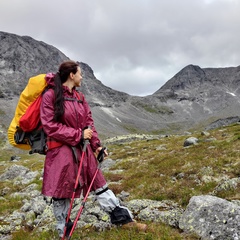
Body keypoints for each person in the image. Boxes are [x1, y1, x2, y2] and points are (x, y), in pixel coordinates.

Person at [40, 60, 147, 239]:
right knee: (61, 192)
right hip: (60, 152)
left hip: (84, 150)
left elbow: (89, 124)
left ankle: (124, 221)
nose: (82, 77)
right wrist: (77, 135)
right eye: (80, 74)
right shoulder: (50, 96)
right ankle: (63, 232)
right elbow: (49, 126)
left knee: (99, 184)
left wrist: (96, 146)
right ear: (72, 75)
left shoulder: (80, 97)